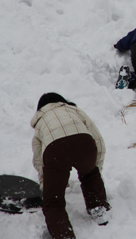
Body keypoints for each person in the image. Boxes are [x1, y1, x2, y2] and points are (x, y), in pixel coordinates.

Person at [31, 93, 111, 239]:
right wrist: (95, 169)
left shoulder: (41, 120)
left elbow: (39, 159)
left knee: (53, 203)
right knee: (89, 175)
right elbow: (97, 138)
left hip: (56, 150)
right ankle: (98, 207)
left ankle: (63, 235)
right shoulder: (74, 110)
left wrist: (47, 185)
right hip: (84, 142)